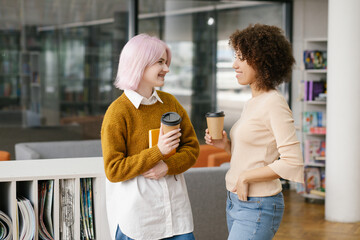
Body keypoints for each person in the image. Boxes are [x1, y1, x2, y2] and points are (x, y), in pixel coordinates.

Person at [204, 24, 304, 240]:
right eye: (235, 57)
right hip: (236, 201)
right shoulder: (253, 102)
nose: (234, 64)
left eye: (242, 57)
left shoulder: (274, 103)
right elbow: (254, 156)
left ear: (262, 60)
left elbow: (293, 162)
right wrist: (226, 146)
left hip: (258, 204)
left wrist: (246, 177)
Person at [101, 34, 199, 240]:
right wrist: (157, 152)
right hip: (139, 221)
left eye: (166, 62)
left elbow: (191, 149)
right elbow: (114, 170)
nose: (167, 69)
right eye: (160, 62)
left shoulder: (170, 103)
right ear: (139, 64)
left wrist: (167, 166)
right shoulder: (118, 112)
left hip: (177, 218)